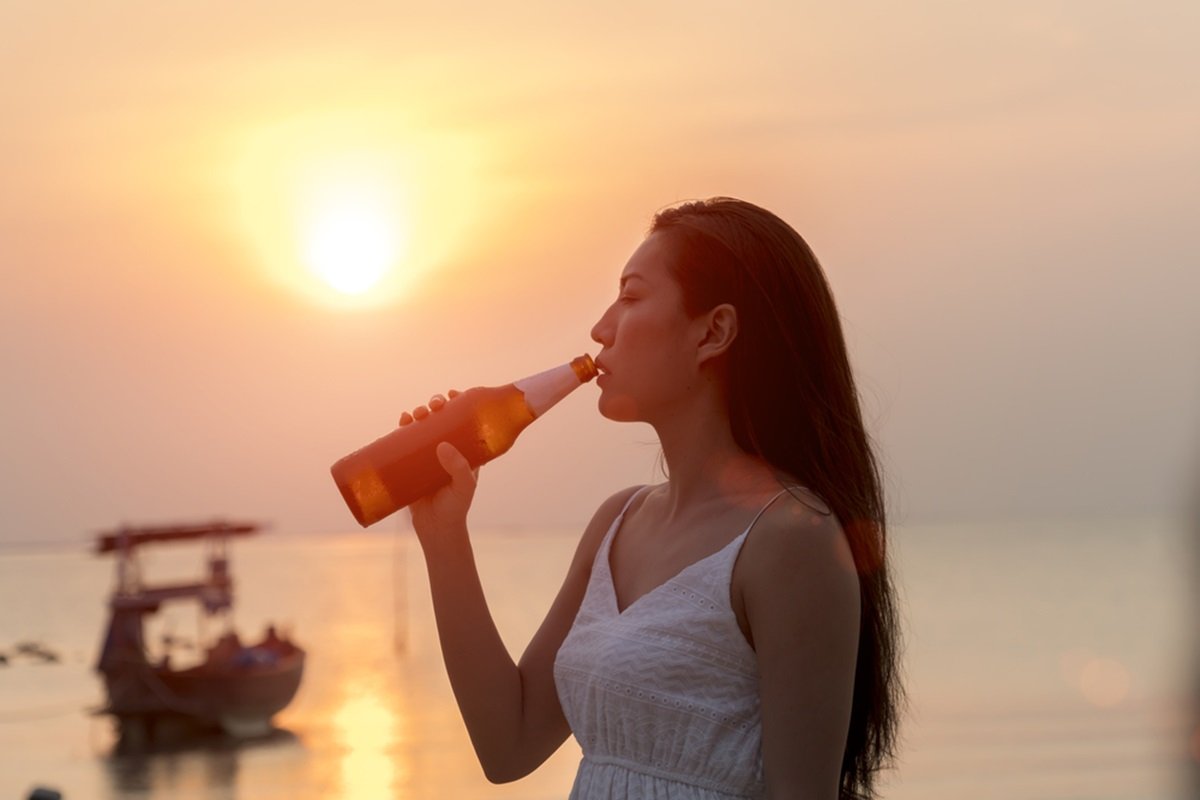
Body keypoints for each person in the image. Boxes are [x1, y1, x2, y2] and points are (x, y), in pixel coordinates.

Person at [403, 197, 902, 799]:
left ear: (713, 332)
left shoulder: (792, 539)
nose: (601, 328)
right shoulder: (619, 520)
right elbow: (507, 744)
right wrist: (444, 536)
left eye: (632, 297)